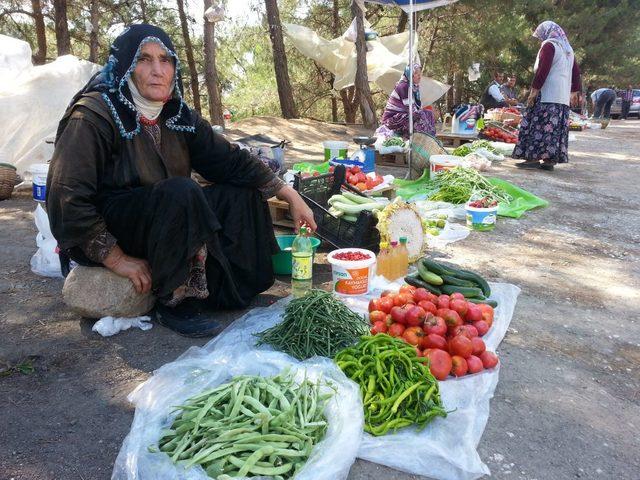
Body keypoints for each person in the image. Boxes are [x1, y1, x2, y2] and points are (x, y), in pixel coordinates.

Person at [46, 24, 316, 336]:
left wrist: (288, 194)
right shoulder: (94, 115)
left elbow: (229, 161)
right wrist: (117, 259)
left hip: (168, 217)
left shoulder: (176, 114)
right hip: (109, 228)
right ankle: (174, 302)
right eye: (144, 60)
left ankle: (231, 288)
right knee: (182, 191)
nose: (157, 70)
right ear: (126, 67)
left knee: (239, 192)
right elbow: (66, 196)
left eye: (166, 60)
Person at [513, 21, 581, 171]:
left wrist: (534, 90)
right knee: (554, 129)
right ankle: (549, 160)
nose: (540, 39)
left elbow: (543, 70)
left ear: (546, 32)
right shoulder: (567, 49)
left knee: (538, 126)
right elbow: (576, 72)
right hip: (561, 98)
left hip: (547, 95)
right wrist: (574, 91)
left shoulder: (549, 46)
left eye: (540, 35)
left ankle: (533, 158)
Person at [379, 63, 435, 138]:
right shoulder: (404, 86)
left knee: (428, 113)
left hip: (402, 117)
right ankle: (419, 138)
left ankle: (427, 139)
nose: (419, 76)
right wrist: (422, 114)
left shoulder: (413, 88)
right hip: (391, 121)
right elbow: (411, 109)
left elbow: (417, 108)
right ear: (410, 74)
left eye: (420, 73)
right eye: (416, 73)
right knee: (421, 115)